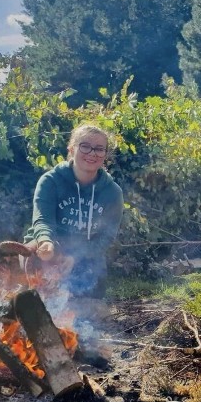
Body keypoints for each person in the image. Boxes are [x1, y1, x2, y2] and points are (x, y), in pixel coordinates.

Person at [23, 124, 124, 298]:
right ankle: (34, 298)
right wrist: (46, 242)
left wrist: (76, 257)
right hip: (49, 248)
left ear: (105, 155)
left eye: (99, 149)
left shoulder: (113, 193)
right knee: (35, 262)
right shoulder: (50, 181)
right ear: (71, 149)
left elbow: (106, 237)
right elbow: (43, 220)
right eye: (85, 146)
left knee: (90, 312)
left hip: (86, 253)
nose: (92, 153)